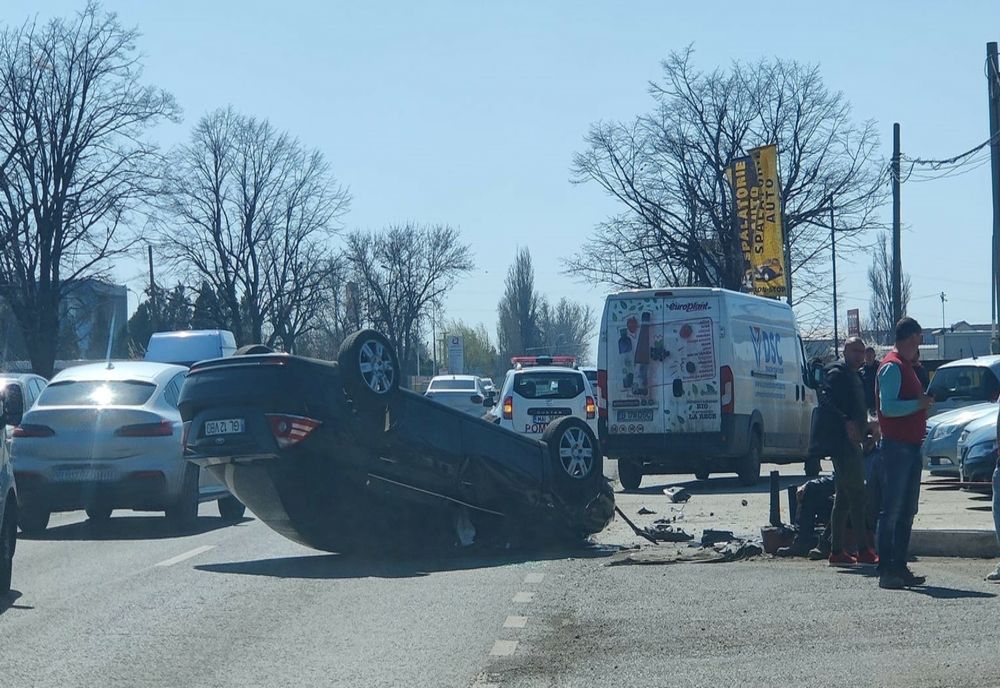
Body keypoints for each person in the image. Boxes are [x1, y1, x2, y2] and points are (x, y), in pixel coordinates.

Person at [875, 317, 934, 590]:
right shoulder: (892, 367)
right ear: (908, 339)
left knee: (907, 509)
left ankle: (899, 565)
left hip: (910, 447)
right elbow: (888, 408)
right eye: (916, 341)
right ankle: (886, 569)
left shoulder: (906, 366)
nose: (918, 346)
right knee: (893, 509)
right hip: (897, 447)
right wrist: (919, 404)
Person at [824, 337, 878, 566]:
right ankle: (864, 549)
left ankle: (836, 552)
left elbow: (858, 408)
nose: (859, 355)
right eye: (854, 351)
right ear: (845, 351)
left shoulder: (855, 375)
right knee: (858, 495)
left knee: (844, 498)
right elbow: (826, 401)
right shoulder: (837, 373)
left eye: (861, 351)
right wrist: (845, 422)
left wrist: (868, 426)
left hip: (852, 441)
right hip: (842, 444)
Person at [861, 346, 879, 413]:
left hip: (878, 404)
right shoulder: (860, 371)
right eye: (867, 355)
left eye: (871, 355)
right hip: (865, 405)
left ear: (874, 356)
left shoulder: (880, 368)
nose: (869, 357)